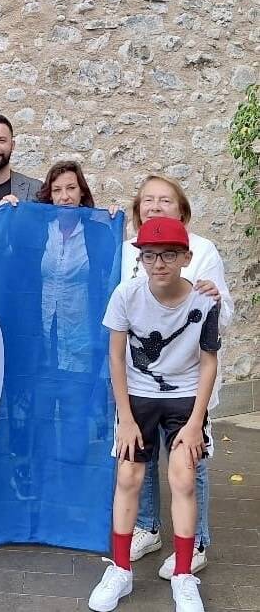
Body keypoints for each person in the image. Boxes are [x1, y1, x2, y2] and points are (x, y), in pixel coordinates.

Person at [89, 216, 219, 612]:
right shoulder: (126, 296)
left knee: (183, 477)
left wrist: (196, 422)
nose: (159, 263)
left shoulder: (203, 301)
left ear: (186, 257)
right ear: (140, 259)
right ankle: (121, 569)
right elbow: (114, 356)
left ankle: (183, 574)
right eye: (149, 255)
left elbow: (208, 361)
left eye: (168, 254)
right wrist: (125, 418)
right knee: (129, 475)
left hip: (184, 399)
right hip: (139, 398)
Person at [119, 175, 233, 580]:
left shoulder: (201, 251)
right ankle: (147, 527)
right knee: (141, 462)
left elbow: (219, 319)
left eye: (164, 200)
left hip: (186, 382)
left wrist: (215, 298)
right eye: (146, 200)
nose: (154, 206)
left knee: (189, 460)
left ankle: (196, 541)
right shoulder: (125, 252)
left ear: (181, 209)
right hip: (142, 381)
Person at [9, 161, 116, 499]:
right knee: (40, 417)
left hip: (81, 340)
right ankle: (41, 489)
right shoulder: (39, 229)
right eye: (57, 190)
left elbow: (116, 268)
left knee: (74, 419)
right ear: (49, 195)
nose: (64, 196)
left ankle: (73, 491)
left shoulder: (98, 233)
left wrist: (116, 220)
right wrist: (7, 211)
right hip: (42, 342)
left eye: (70, 188)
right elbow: (11, 247)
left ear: (81, 192)